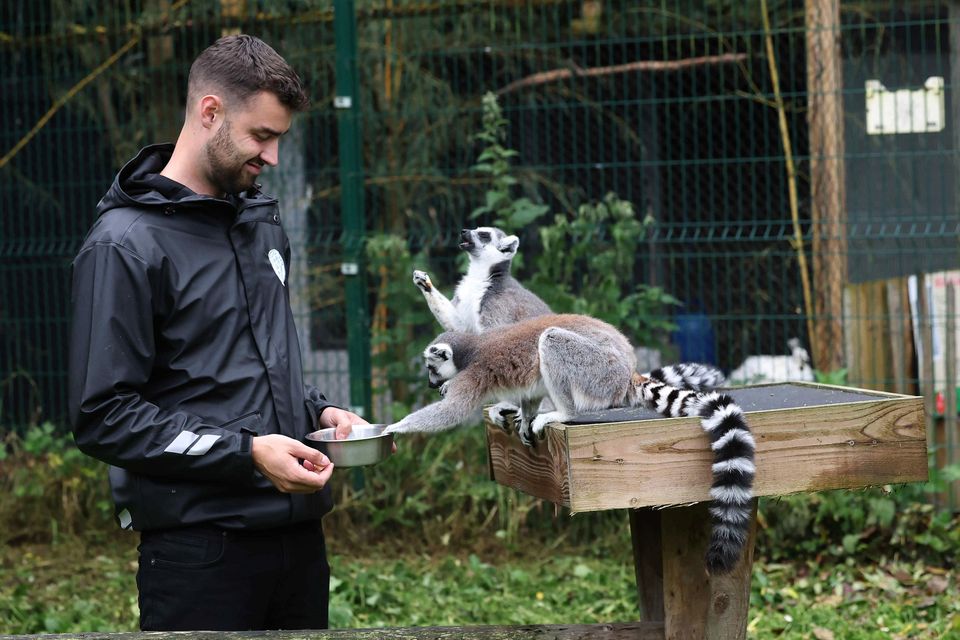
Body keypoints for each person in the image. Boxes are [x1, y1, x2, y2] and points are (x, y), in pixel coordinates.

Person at [68, 34, 366, 631]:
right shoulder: (124, 246)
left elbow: (249, 369)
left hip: (300, 544)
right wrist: (247, 454)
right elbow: (102, 414)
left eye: (279, 137)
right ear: (211, 112)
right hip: (200, 556)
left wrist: (320, 410)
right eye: (262, 136)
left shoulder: (261, 224)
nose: (273, 157)